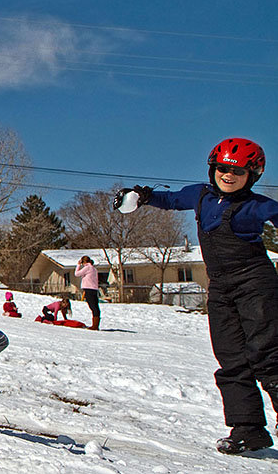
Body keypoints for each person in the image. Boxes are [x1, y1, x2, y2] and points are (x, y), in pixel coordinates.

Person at [113, 137, 278, 455]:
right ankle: (248, 429)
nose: (228, 176)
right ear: (213, 168)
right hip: (220, 288)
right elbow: (171, 200)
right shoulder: (200, 195)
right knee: (231, 359)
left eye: (237, 171)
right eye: (222, 169)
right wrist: (144, 197)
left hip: (257, 285)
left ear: (252, 174)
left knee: (266, 355)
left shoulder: (259, 206)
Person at [75, 255, 101, 330]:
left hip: (88, 288)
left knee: (92, 306)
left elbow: (77, 274)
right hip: (94, 288)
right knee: (95, 306)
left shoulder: (87, 268)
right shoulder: (94, 269)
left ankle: (95, 326)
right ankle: (96, 324)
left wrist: (78, 265)